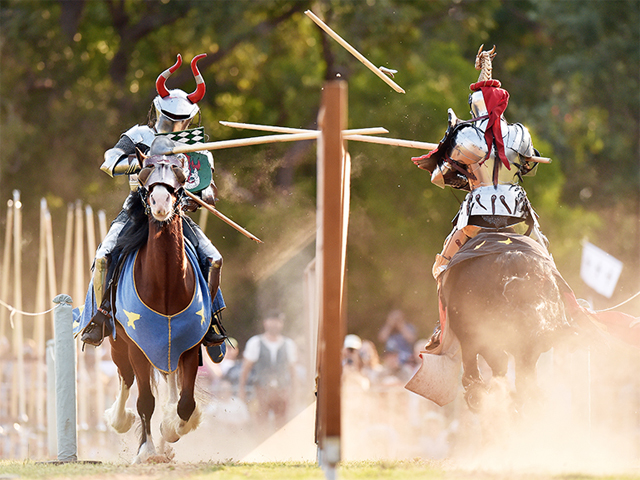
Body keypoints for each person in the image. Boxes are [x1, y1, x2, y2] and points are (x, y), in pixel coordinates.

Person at [80, 53, 227, 348]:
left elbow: (208, 188)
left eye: (181, 120)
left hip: (177, 214)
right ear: (158, 111)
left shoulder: (197, 145)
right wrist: (140, 164)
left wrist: (201, 197)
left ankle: (210, 318)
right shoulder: (139, 135)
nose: (175, 124)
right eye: (170, 118)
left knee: (213, 258)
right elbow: (109, 162)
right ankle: (101, 315)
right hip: (136, 210)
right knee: (103, 255)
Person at [411, 45, 549, 351]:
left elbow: (440, 177)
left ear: (475, 106)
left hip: (478, 213)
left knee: (443, 267)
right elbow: (531, 168)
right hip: (517, 210)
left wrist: (464, 175)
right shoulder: (519, 133)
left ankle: (442, 328)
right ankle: (564, 312)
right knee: (545, 259)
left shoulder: (465, 135)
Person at [238, 311, 298, 429]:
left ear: (281, 324)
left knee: (282, 425)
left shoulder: (289, 344)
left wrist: (295, 393)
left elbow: (293, 372)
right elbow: (245, 369)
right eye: (272, 321)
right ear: (265, 323)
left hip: (281, 391)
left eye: (277, 321)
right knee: (260, 424)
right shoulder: (255, 342)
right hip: (261, 390)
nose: (274, 324)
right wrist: (242, 389)